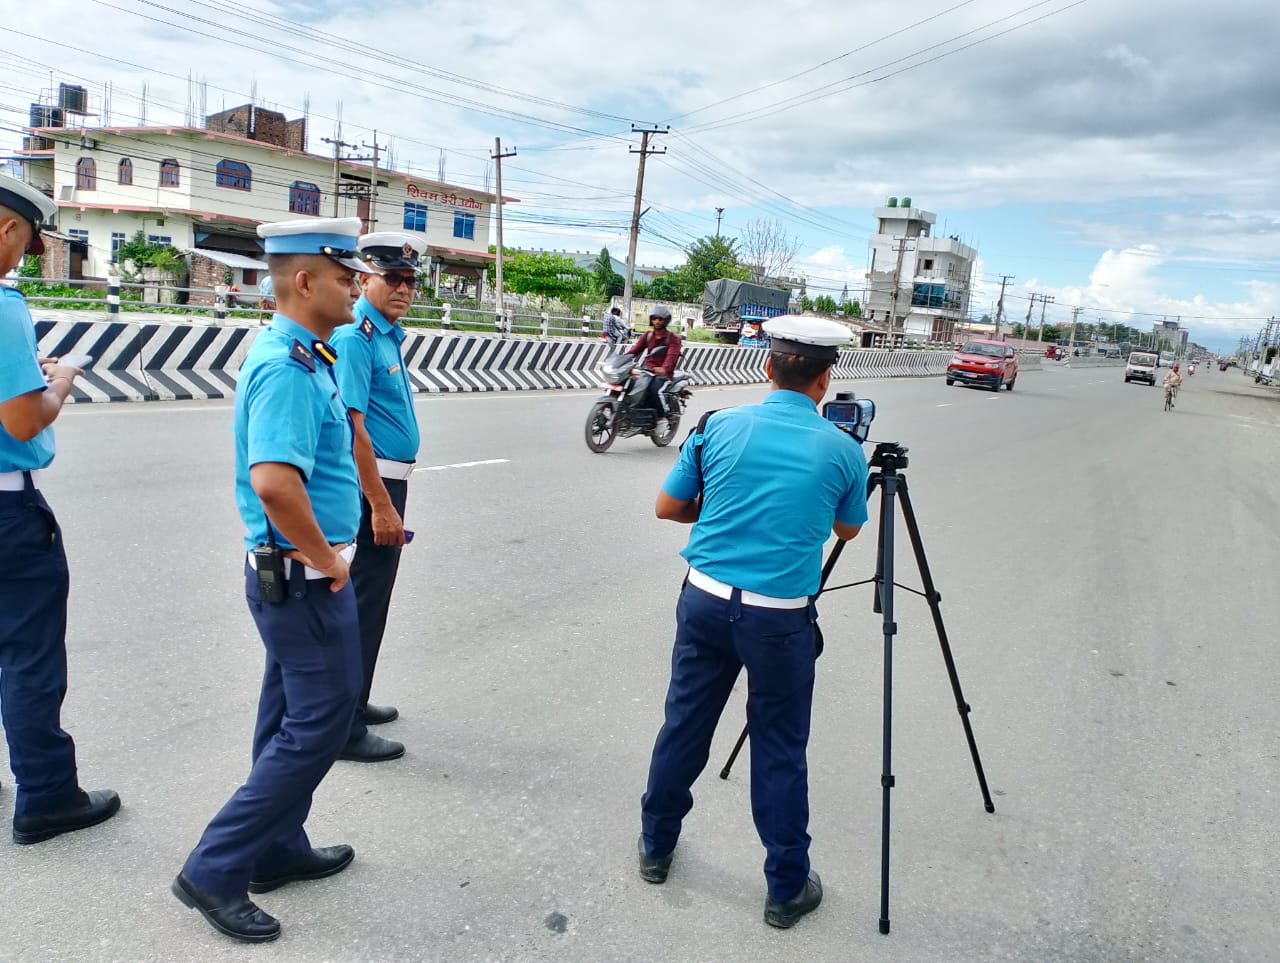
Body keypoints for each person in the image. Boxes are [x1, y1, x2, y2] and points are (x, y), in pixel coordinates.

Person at [173, 217, 375, 944]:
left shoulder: (306, 354)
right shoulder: (287, 367)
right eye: (347, 278)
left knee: (286, 711)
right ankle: (214, 867)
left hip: (292, 578)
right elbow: (275, 483)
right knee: (321, 724)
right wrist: (328, 559)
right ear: (305, 280)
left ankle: (276, 847)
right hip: (302, 578)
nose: (356, 288)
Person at [638, 315, 869, 930]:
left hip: (705, 602)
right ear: (825, 379)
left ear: (768, 367)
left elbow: (667, 507)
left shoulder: (718, 425)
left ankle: (656, 846)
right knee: (779, 749)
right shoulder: (844, 450)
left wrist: (726, 510)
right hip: (779, 622)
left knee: (685, 724)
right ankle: (785, 890)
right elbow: (848, 529)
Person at [0, 173, 121, 845]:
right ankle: (46, 795)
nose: (23, 257)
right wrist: (62, 381)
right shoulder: (3, 308)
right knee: (28, 654)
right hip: (7, 510)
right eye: (26, 243)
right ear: (6, 229)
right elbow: (23, 420)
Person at [329, 233, 428, 764]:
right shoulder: (356, 338)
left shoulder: (386, 335)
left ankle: (356, 698)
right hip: (374, 487)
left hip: (390, 482)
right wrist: (380, 504)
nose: (403, 289)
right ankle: (343, 726)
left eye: (410, 281)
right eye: (393, 278)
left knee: (374, 602)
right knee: (362, 604)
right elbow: (353, 425)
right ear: (364, 278)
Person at [625, 305, 682, 433]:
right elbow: (634, 350)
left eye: (660, 319)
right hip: (647, 371)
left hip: (663, 375)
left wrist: (664, 369)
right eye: (655, 319)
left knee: (654, 389)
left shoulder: (673, 338)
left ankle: (662, 417)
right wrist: (621, 359)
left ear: (665, 321)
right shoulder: (648, 336)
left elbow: (672, 357)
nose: (657, 321)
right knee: (629, 383)